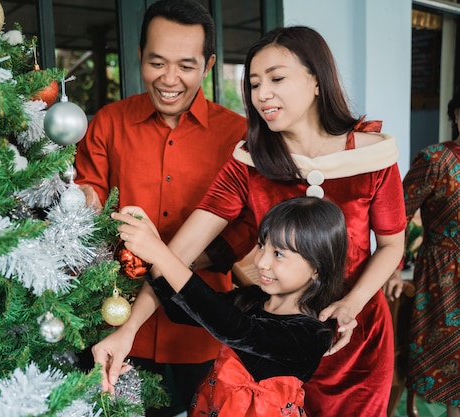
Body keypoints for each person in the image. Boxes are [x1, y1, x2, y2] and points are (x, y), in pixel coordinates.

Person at [92, 26, 406, 417]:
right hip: (268, 353)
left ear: (316, 81)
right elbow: (176, 257)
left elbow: (393, 244)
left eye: (276, 78)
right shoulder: (249, 164)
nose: (262, 95)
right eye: (254, 83)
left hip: (354, 340)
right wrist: (129, 329)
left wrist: (350, 305)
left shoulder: (372, 156)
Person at [74, 0, 249, 414]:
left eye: (186, 66)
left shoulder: (238, 135)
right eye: (157, 62)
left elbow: (247, 227)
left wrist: (171, 262)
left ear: (208, 66)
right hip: (112, 320)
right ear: (139, 58)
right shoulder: (108, 122)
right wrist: (78, 200)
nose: (170, 79)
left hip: (199, 330)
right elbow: (89, 192)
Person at [112, 196, 346, 416]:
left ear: (318, 267)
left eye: (278, 254)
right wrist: (153, 251)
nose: (261, 262)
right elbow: (180, 310)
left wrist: (161, 253)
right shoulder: (253, 299)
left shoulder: (313, 333)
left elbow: (236, 330)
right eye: (261, 246)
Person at [385, 91, 460, 416]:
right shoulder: (435, 159)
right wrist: (391, 270)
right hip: (443, 277)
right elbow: (395, 218)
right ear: (456, 116)